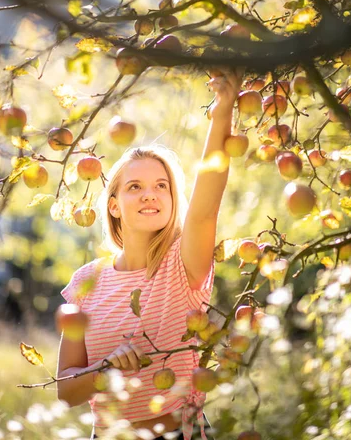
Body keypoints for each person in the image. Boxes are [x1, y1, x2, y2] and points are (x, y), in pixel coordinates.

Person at [56, 69, 242, 440]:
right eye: (135, 187)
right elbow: (65, 391)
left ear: (173, 201)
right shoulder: (86, 282)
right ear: (113, 205)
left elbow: (206, 208)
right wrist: (105, 371)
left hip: (181, 434)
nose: (149, 195)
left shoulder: (182, 266)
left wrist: (223, 112)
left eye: (161, 186)